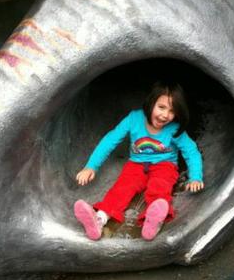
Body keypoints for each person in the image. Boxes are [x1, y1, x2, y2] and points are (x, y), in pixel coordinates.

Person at [74, 81, 204, 241]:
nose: (165, 115)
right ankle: (99, 219)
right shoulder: (134, 119)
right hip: (136, 164)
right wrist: (91, 166)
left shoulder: (174, 128)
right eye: (161, 107)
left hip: (165, 165)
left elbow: (191, 151)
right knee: (122, 188)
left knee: (159, 186)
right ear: (151, 103)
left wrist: (195, 176)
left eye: (172, 111)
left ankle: (154, 219)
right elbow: (111, 140)